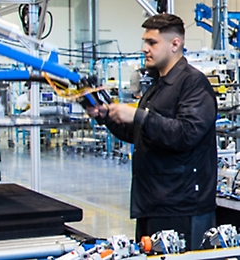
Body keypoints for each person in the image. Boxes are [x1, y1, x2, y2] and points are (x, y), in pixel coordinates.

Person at [86, 13, 217, 251]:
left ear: (175, 44)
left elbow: (186, 133)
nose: (145, 48)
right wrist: (107, 117)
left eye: (152, 42)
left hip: (182, 207)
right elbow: (140, 134)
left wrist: (137, 115)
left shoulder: (193, 84)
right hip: (152, 203)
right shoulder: (157, 86)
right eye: (145, 42)